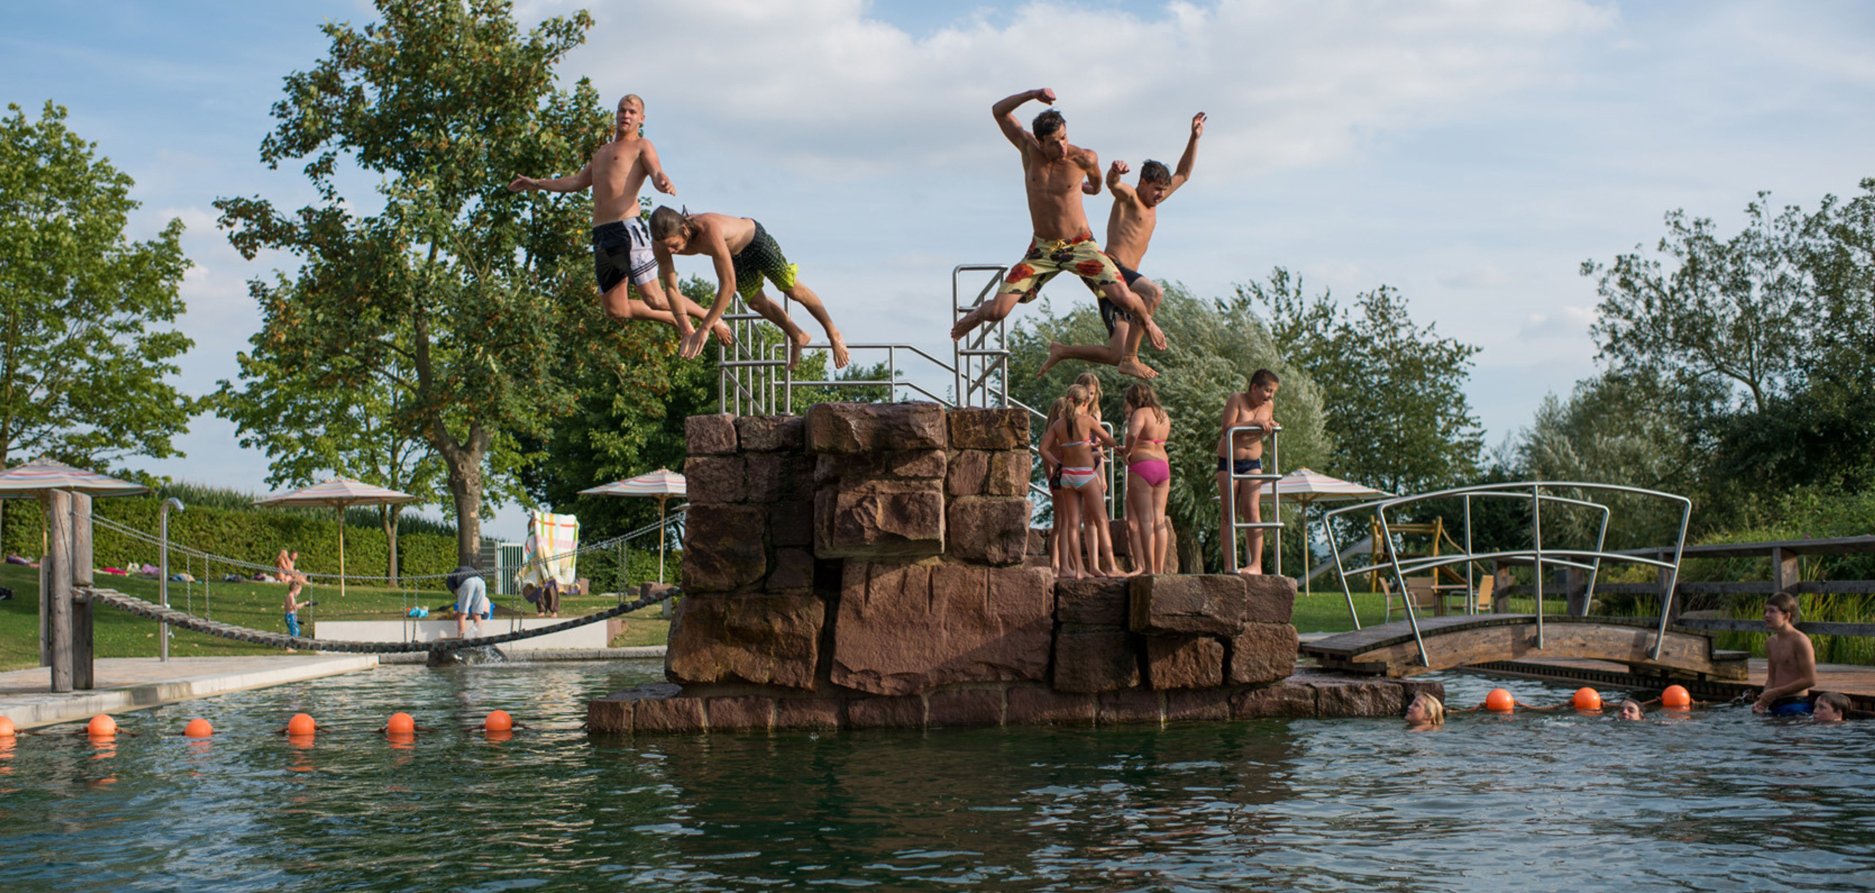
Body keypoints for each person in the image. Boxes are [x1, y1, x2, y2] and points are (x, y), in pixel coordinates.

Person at [951, 88, 1166, 380]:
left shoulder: (1084, 158)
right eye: (1054, 143)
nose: (1062, 147)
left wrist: (1091, 188)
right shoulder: (1028, 149)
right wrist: (1032, 94)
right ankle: (977, 314)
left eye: (1064, 137)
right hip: (1042, 249)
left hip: (1081, 246)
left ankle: (1147, 329)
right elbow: (998, 111)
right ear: (1040, 141)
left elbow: (1099, 184)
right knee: (999, 311)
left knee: (1126, 299)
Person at [508, 94, 731, 351]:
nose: (626, 115)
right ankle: (676, 319)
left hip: (627, 230)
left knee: (656, 298)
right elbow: (574, 182)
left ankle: (708, 318)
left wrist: (663, 182)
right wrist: (535, 183)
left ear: (641, 119)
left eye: (632, 112)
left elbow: (656, 171)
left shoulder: (641, 146)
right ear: (616, 114)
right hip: (602, 234)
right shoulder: (602, 152)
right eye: (622, 110)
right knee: (616, 309)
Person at [1035, 112, 1204, 380]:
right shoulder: (1131, 197)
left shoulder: (1154, 200)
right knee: (1153, 294)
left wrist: (1194, 138)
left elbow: (1183, 173)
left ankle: (1063, 350)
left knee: (1115, 353)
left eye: (1164, 190)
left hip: (1124, 283)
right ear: (1143, 183)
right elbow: (1113, 186)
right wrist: (1114, 173)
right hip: (1112, 268)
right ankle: (1131, 358)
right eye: (1156, 189)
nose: (1160, 195)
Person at [647, 207, 849, 370]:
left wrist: (706, 327)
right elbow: (672, 289)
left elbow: (727, 286)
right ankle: (798, 335)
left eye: (674, 245)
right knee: (756, 302)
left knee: (790, 288)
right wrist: (685, 328)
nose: (671, 251)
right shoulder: (661, 246)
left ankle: (833, 333)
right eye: (667, 248)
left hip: (754, 241)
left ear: (684, 230)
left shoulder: (709, 230)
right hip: (734, 256)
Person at [1040, 385, 1115, 579]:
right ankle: (1112, 567)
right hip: (1086, 475)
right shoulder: (1087, 420)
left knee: (1072, 524)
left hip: (1067, 476)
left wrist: (1057, 464)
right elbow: (1109, 439)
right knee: (1101, 521)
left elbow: (1042, 449)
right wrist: (1121, 448)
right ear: (1085, 402)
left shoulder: (1058, 425)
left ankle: (1079, 570)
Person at [1217, 369, 1280, 574]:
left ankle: (1256, 564)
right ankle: (1229, 565)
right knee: (1229, 513)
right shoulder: (1237, 399)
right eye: (1268, 390)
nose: (1270, 396)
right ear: (1254, 388)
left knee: (1253, 511)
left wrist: (1271, 425)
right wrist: (1253, 423)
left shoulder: (1268, 405)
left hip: (1253, 463)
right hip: (1230, 462)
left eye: (1273, 392)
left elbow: (1265, 425)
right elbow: (1227, 428)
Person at [1074, 373, 1125, 576]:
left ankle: (1096, 565)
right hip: (1080, 465)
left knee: (1094, 518)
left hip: (1094, 464)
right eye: (1087, 392)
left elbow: (1101, 447)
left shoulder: (1095, 413)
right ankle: (1096, 565)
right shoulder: (1074, 414)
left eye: (1093, 393)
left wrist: (1102, 476)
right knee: (1087, 518)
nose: (1090, 396)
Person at [1122, 383, 1173, 575]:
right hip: (1163, 466)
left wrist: (1127, 453)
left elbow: (1133, 434)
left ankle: (1149, 568)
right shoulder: (1163, 414)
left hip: (1142, 466)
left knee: (1145, 519)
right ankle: (1160, 568)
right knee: (1159, 519)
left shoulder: (1140, 413)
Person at [1753, 591, 1818, 715]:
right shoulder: (1770, 642)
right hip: (1774, 704)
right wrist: (1762, 702)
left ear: (1786, 615)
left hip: (1796, 704)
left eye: (1772, 611)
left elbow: (1810, 680)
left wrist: (1775, 692)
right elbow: (1771, 678)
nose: (1766, 615)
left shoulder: (1800, 641)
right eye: (1765, 611)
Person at [1040, 395, 1080, 578]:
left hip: (1056, 479)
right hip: (1063, 478)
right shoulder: (1060, 432)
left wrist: (1050, 478)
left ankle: (1056, 563)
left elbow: (1045, 460)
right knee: (1066, 522)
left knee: (1059, 524)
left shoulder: (1050, 432)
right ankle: (1062, 563)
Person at [448, 565, 490, 640]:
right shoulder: (466, 571)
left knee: (462, 615)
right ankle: (479, 639)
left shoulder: (450, 580)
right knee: (477, 614)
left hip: (467, 582)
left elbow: (458, 593)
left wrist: (460, 611)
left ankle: (461, 639)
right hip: (481, 582)